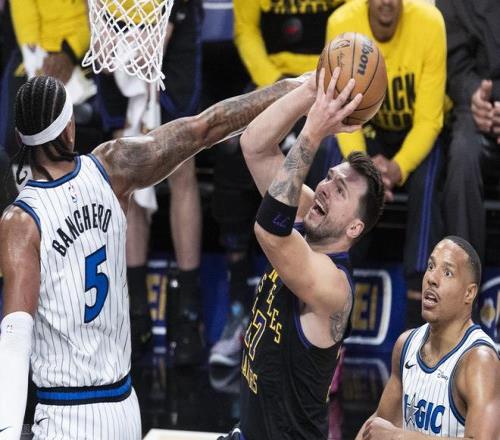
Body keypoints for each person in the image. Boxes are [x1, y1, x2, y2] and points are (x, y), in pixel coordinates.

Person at [0, 74, 301, 440]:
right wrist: (296, 88)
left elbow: (15, 337)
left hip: (65, 415)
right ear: (69, 127)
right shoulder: (113, 167)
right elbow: (207, 126)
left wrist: (7, 431)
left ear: (20, 137)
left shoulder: (21, 220)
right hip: (124, 408)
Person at [218, 69, 385, 440]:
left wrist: (314, 130)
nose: (324, 188)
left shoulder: (334, 287)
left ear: (354, 228)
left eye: (340, 191)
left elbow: (269, 231)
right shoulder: (310, 217)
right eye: (329, 178)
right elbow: (254, 145)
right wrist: (312, 90)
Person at [209, 0, 346, 369]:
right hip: (272, 81)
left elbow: (347, 31)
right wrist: (279, 87)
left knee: (333, 167)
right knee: (231, 152)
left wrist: (322, 84)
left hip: (326, 83)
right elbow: (246, 32)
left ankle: (325, 325)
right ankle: (238, 308)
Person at [96, 0, 205, 364]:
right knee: (124, 165)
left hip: (171, 15)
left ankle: (189, 312)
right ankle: (135, 311)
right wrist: (99, 26)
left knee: (181, 162)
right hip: (114, 18)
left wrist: (167, 24)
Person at [326, 0, 447, 328]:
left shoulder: (430, 22)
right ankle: (332, 295)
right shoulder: (342, 24)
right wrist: (364, 166)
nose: (386, 2)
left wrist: (398, 167)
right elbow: (342, 113)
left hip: (413, 136)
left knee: (429, 171)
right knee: (336, 164)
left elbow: (430, 121)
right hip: (364, 132)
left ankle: (418, 315)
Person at [355, 236, 499, 439]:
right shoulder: (406, 345)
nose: (432, 278)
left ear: (469, 293)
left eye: (447, 273)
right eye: (431, 266)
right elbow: (381, 422)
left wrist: (400, 437)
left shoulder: (479, 361)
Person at [435, 0, 500, 266]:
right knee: (462, 155)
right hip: (476, 108)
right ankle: (463, 273)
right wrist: (474, 95)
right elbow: (456, 65)